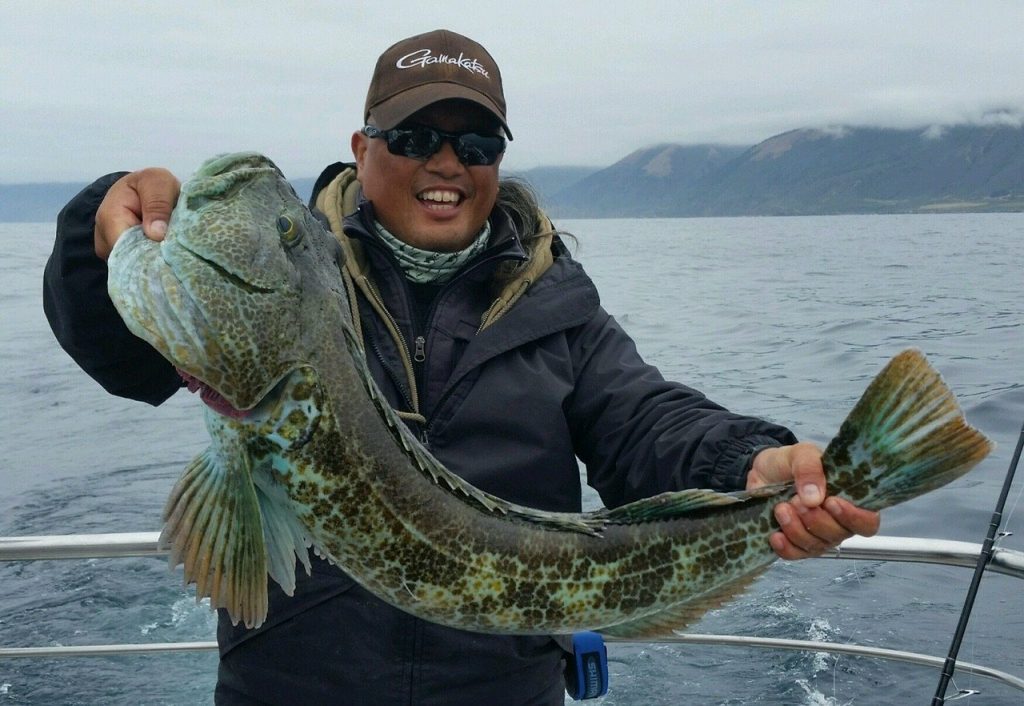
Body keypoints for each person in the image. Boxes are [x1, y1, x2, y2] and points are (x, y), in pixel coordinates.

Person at [43, 28, 879, 706]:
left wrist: (753, 463)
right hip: (290, 689)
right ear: (360, 149)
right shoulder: (286, 270)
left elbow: (644, 422)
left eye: (476, 142)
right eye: (413, 138)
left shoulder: (558, 309)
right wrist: (105, 221)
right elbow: (118, 350)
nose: (447, 163)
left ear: (498, 162)